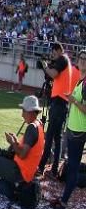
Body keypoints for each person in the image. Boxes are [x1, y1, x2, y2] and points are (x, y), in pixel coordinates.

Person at [51, 51, 86, 209]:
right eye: (81, 58)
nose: (83, 61)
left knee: (72, 167)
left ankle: (64, 202)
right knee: (72, 166)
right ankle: (64, 198)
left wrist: (73, 100)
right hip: (73, 129)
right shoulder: (81, 81)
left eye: (85, 59)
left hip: (78, 131)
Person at [38, 42, 75, 179]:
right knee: (57, 139)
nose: (52, 54)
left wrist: (45, 65)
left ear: (59, 50)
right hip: (61, 103)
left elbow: (53, 74)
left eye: (54, 52)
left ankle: (41, 167)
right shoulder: (65, 61)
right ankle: (53, 170)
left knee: (50, 137)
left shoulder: (63, 59)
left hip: (59, 103)